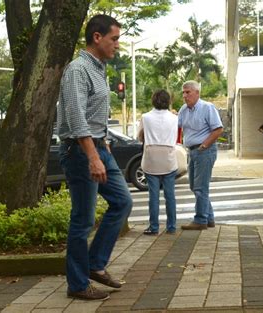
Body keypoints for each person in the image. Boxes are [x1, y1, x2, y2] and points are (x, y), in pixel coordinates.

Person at [56, 14, 132, 301]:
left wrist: (106, 144)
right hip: (80, 151)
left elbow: (94, 113)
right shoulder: (77, 69)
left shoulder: (99, 69)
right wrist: (92, 156)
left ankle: (95, 264)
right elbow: (76, 117)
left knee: (123, 202)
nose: (117, 45)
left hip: (99, 146)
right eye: (114, 39)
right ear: (97, 37)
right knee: (83, 219)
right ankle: (77, 284)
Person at [178, 81, 223, 230]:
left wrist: (204, 145)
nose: (185, 95)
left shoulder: (207, 107)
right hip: (191, 151)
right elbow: (177, 128)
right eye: (183, 92)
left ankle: (200, 219)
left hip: (205, 151)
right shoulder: (183, 110)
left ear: (197, 92)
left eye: (188, 92)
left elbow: (218, 129)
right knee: (194, 186)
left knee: (200, 187)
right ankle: (209, 218)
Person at [137, 90, 178, 235]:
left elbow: (140, 137)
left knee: (153, 196)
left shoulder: (145, 117)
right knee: (170, 195)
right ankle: (171, 226)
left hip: (151, 159)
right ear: (168, 101)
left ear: (153, 100)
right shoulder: (174, 118)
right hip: (168, 158)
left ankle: (154, 227)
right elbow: (176, 137)